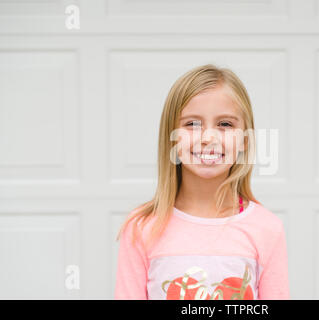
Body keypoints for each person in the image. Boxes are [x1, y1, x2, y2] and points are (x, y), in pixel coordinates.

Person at [114, 64, 289, 300]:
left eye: (225, 124)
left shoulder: (267, 229)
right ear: (171, 138)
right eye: (192, 124)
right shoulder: (141, 228)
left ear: (245, 140)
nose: (208, 138)